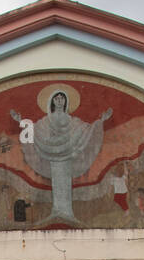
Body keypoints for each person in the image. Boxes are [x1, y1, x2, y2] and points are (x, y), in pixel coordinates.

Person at [11, 90, 112, 223]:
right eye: (57, 98)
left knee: (65, 184)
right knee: (57, 184)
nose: (59, 100)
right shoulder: (46, 121)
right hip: (52, 157)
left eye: (62, 98)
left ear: (66, 101)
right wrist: (21, 121)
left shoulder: (73, 122)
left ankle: (67, 213)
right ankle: (57, 211)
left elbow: (86, 130)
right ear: (52, 101)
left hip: (67, 158)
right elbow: (36, 131)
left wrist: (101, 121)